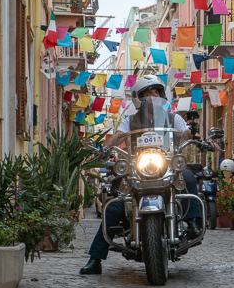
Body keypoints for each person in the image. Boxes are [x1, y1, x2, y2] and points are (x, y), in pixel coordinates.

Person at [80, 76, 202, 275]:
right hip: (138, 168)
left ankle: (195, 223)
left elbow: (186, 133)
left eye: (155, 93)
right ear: (139, 98)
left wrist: (196, 136)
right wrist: (104, 148)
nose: (152, 97)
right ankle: (95, 258)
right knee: (115, 205)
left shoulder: (173, 118)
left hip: (167, 166)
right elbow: (118, 136)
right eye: (147, 94)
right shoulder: (131, 121)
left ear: (161, 95)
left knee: (187, 177)